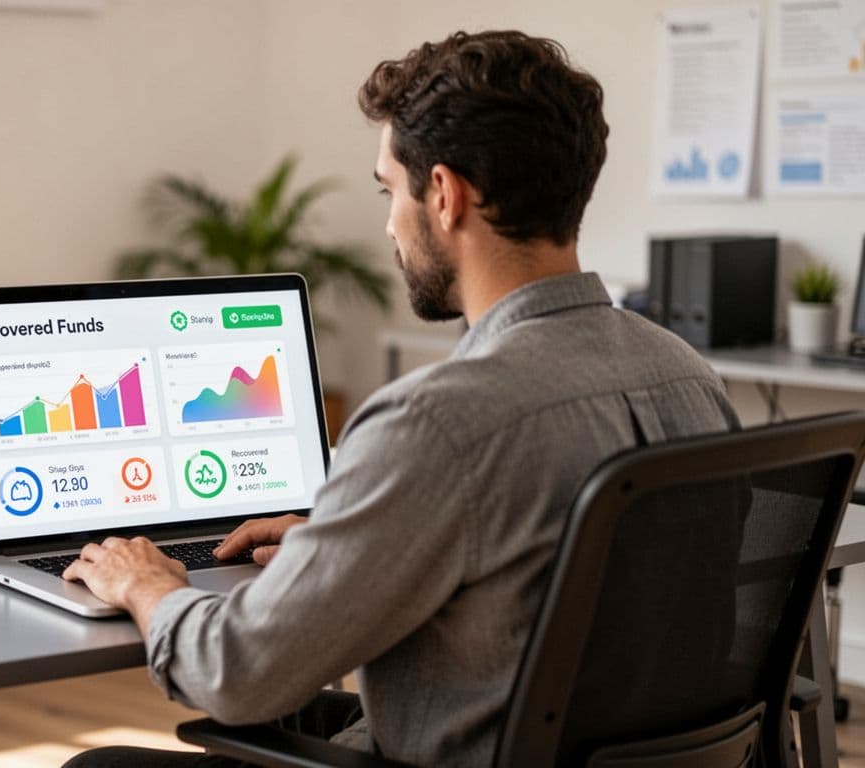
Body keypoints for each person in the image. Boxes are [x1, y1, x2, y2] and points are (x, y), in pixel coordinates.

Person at [62, 30, 739, 767]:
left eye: (390, 190)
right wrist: (352, 540)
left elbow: (239, 674)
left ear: (444, 195)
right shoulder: (687, 375)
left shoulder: (439, 424)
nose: (389, 223)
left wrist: (147, 586)